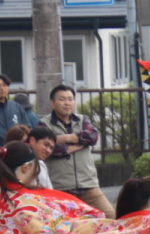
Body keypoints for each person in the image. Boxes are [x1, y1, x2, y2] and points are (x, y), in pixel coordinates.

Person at [41, 85, 114, 217]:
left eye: (70, 99)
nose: (67, 103)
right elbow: (47, 148)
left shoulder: (82, 119)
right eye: (62, 99)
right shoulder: (44, 124)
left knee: (110, 216)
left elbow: (92, 136)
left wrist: (65, 138)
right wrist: (73, 146)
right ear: (52, 103)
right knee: (65, 226)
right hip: (60, 187)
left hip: (88, 184)